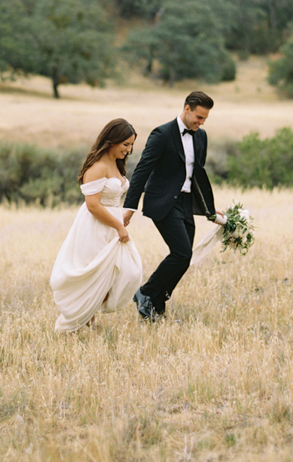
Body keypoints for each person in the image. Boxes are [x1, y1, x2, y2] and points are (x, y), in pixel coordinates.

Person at [123, 91, 220, 320]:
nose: (201, 122)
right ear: (187, 109)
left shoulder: (201, 136)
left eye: (205, 119)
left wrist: (210, 210)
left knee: (184, 258)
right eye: (198, 117)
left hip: (186, 203)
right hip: (163, 202)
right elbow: (141, 171)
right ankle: (145, 293)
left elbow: (198, 176)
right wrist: (130, 207)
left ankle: (156, 307)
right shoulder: (162, 134)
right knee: (181, 253)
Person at [50, 119, 144, 332]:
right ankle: (75, 323)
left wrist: (123, 215)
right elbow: (92, 205)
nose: (129, 150)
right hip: (96, 226)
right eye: (125, 144)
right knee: (94, 274)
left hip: (112, 223)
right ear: (112, 141)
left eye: (131, 145)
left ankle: (88, 316)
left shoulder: (116, 164)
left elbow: (111, 201)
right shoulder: (97, 167)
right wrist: (118, 226)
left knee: (127, 272)